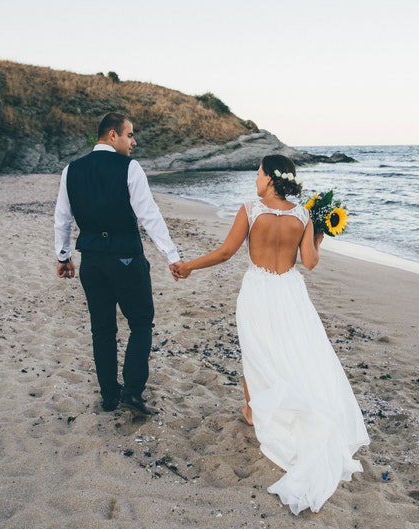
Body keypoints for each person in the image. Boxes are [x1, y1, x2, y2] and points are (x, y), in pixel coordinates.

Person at [174, 155, 370, 515]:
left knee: (256, 349)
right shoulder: (303, 215)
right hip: (290, 291)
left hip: (260, 289)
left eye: (258, 173)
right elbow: (309, 263)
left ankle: (252, 411)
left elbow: (225, 253)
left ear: (269, 179)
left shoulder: (250, 209)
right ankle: (275, 408)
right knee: (294, 350)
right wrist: (320, 230)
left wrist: (188, 266)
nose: (256, 179)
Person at [54, 112, 183, 416]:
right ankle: (132, 393)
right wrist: (172, 256)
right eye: (129, 135)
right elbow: (148, 214)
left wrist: (63, 257)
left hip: (92, 262)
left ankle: (109, 395)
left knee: (102, 329)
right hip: (126, 258)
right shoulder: (129, 168)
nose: (133, 142)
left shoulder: (71, 170)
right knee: (140, 323)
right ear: (112, 135)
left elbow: (62, 217)